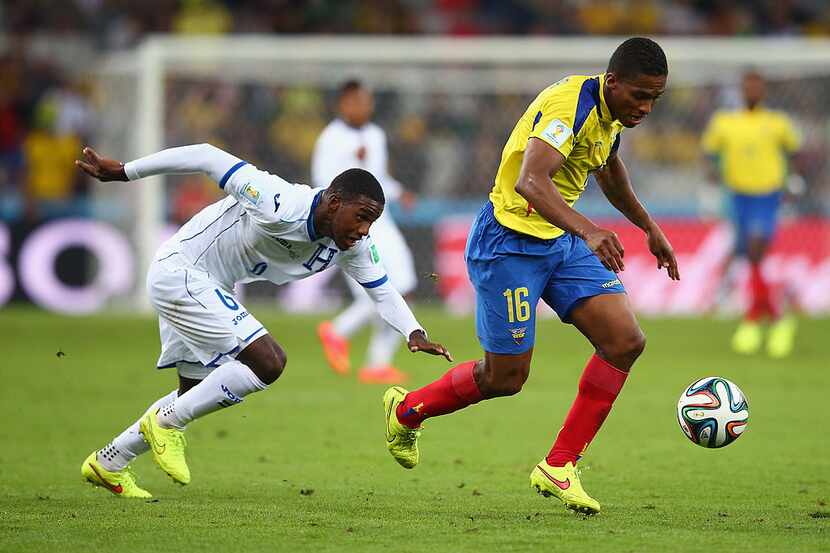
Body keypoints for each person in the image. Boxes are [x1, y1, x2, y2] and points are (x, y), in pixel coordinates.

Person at [382, 37, 679, 515]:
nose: (645, 107)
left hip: (557, 239)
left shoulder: (608, 115)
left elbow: (607, 166)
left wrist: (648, 226)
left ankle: (559, 466)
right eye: (639, 95)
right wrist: (590, 230)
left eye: (654, 98)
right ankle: (407, 410)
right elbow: (530, 181)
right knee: (506, 377)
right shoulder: (570, 107)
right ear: (612, 82)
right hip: (509, 244)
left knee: (625, 340)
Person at [75, 143, 451, 498]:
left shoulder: (351, 246)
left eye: (372, 222)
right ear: (335, 202)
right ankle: (165, 424)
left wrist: (414, 332)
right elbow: (206, 155)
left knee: (193, 395)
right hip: (182, 271)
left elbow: (382, 291)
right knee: (268, 362)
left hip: (212, 285)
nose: (365, 230)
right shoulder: (279, 201)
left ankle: (110, 461)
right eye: (363, 217)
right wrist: (125, 171)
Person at [310, 79, 418, 384]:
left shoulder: (375, 135)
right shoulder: (330, 138)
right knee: (380, 291)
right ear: (343, 104)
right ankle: (341, 333)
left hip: (382, 221)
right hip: (353, 224)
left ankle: (376, 362)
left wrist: (399, 191)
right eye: (356, 101)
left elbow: (379, 177)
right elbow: (323, 183)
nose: (362, 106)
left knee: (405, 287)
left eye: (366, 101)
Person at [701, 70, 801, 358]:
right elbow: (709, 155)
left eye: (757, 86)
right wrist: (708, 189)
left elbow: (793, 154)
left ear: (763, 90)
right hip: (737, 197)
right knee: (748, 255)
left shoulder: (777, 123)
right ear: (742, 90)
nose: (752, 91)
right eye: (748, 86)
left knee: (756, 250)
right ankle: (774, 318)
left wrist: (794, 182)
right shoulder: (725, 122)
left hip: (767, 196)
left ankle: (755, 319)